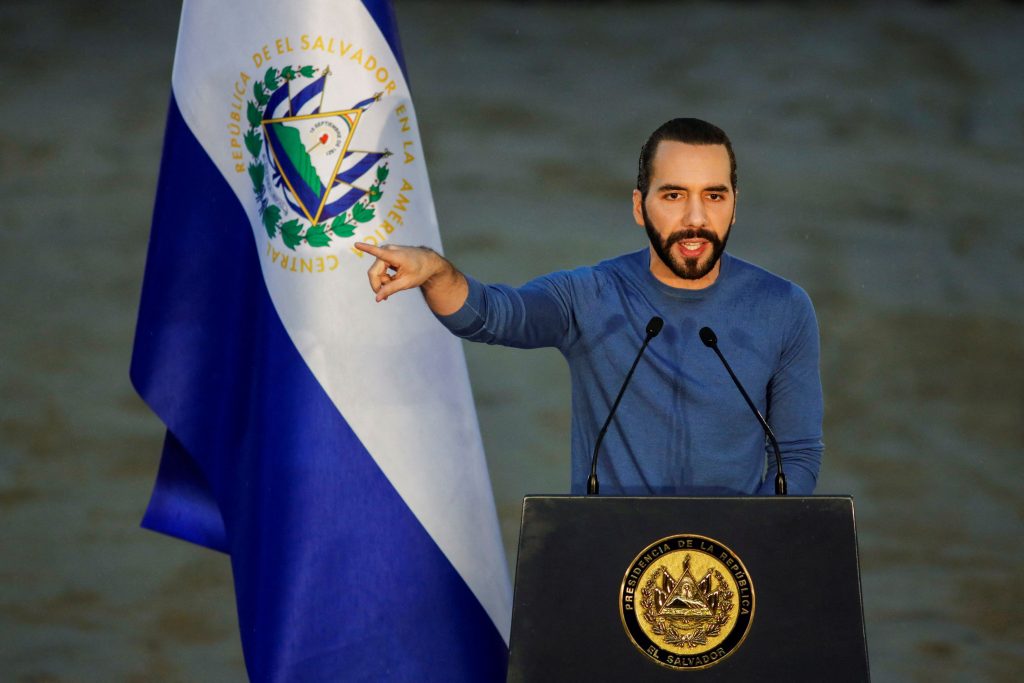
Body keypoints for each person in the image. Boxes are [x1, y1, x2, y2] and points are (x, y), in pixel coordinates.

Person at [355, 118, 823, 496]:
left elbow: (797, 456)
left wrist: (748, 541)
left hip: (731, 572)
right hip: (608, 561)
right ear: (640, 207)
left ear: (735, 206)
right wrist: (437, 272)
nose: (696, 218)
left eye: (714, 196)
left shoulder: (783, 307)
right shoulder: (591, 295)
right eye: (674, 195)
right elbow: (492, 316)